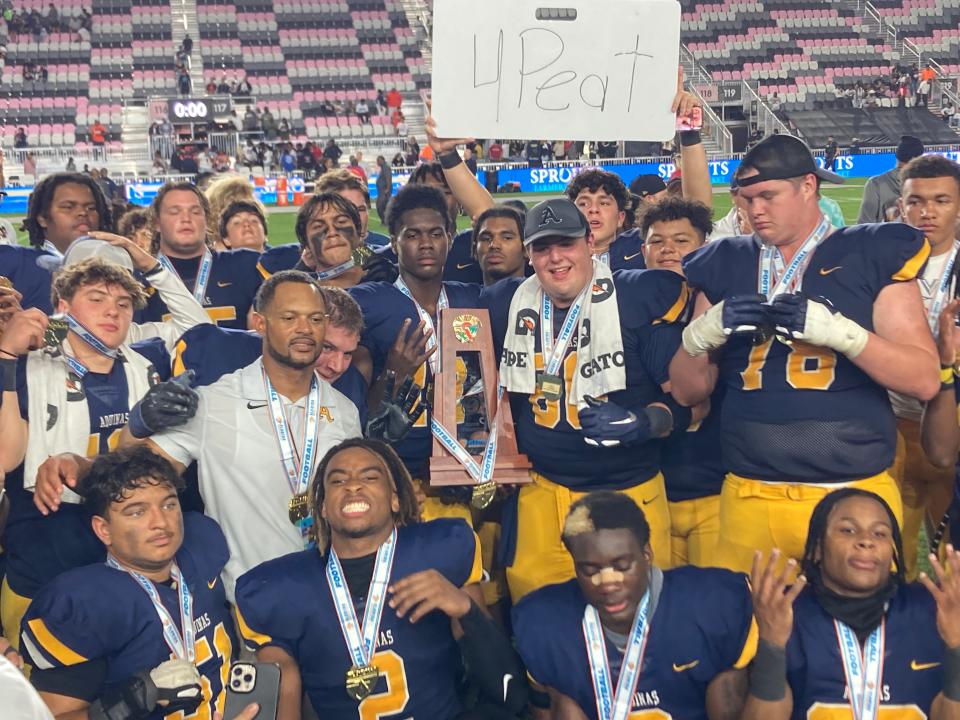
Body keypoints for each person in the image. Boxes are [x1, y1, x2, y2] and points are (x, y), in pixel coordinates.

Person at [670, 133, 939, 575]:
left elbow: (924, 379)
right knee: (748, 639)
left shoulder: (867, 252)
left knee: (852, 634)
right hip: (749, 494)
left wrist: (843, 335)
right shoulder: (725, 261)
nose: (754, 210)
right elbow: (686, 391)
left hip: (850, 495)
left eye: (768, 196)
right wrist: (698, 337)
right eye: (746, 198)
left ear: (808, 187)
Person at [34, 272, 363, 605]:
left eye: (315, 319)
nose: (305, 329)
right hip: (251, 605)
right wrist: (79, 463)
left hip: (332, 600)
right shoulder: (213, 402)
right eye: (290, 317)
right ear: (261, 324)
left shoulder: (345, 411)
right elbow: (132, 478)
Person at [482, 198, 691, 601]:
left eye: (566, 243)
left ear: (590, 241)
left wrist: (643, 423)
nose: (555, 258)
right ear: (528, 254)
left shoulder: (636, 297)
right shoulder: (505, 302)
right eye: (542, 248)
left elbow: (689, 404)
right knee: (540, 618)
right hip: (542, 494)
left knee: (639, 622)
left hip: (627, 493)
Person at [0, 249, 209, 652]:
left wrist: (153, 266)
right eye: (96, 299)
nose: (111, 311)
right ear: (62, 306)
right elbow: (6, 459)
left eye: (123, 303)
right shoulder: (28, 363)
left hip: (127, 548)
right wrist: (7, 357)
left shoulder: (145, 361)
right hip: (47, 548)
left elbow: (199, 329)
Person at [235, 438, 527, 719]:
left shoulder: (440, 553)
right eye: (337, 481)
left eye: (370, 477)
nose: (353, 485)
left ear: (396, 500)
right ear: (322, 507)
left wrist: (466, 609)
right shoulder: (281, 588)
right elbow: (284, 699)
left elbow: (510, 695)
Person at [20, 447, 236, 720]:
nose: (160, 522)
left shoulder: (202, 543)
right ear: (104, 529)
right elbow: (55, 716)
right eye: (137, 512)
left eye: (169, 504)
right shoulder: (87, 602)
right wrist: (125, 702)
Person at [513, 491, 756, 718]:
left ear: (647, 554)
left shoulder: (711, 606)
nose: (608, 582)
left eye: (622, 566)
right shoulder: (545, 623)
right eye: (590, 570)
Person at [742, 488, 960, 719]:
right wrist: (772, 646)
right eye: (848, 530)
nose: (866, 541)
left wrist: (956, 646)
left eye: (880, 533)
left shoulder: (934, 609)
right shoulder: (782, 609)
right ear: (817, 548)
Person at [350, 184, 481, 488]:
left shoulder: (474, 298)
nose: (426, 244)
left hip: (468, 469)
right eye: (412, 235)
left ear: (450, 238)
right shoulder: (368, 301)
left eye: (436, 234)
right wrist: (393, 374)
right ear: (393, 244)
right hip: (398, 475)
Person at [639, 198, 724, 567]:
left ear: (705, 247)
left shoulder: (727, 310)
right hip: (652, 490)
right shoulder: (626, 312)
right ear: (643, 250)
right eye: (657, 241)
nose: (667, 249)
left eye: (681, 241)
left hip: (716, 489)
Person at [889, 155, 960, 577]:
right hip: (893, 423)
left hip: (951, 422)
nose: (927, 212)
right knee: (892, 556)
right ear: (900, 205)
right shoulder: (877, 268)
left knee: (953, 562)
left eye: (941, 200)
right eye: (915, 201)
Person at [138, 182, 263, 329]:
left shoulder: (246, 265)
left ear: (207, 220)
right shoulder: (139, 282)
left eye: (195, 212)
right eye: (175, 212)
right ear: (156, 223)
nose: (186, 218)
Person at [0, 172, 114, 314]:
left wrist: (149, 267)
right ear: (42, 218)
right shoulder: (13, 262)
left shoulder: (115, 268)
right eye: (68, 206)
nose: (83, 213)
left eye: (91, 208)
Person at [858, 135, 924, 223]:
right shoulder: (928, 185)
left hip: (884, 235)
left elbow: (864, 225)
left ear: (897, 155)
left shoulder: (875, 184)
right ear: (919, 158)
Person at [471, 205, 527, 286]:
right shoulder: (457, 296)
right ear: (475, 249)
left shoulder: (542, 296)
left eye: (507, 238)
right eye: (486, 238)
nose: (494, 245)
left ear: (526, 248)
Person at [375, 155, 393, 227]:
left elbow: (388, 178)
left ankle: (386, 221)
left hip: (384, 191)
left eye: (378, 160)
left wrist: (387, 189)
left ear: (382, 160)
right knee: (383, 206)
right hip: (382, 190)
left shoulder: (385, 167)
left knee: (380, 206)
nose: (377, 162)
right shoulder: (383, 168)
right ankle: (385, 221)